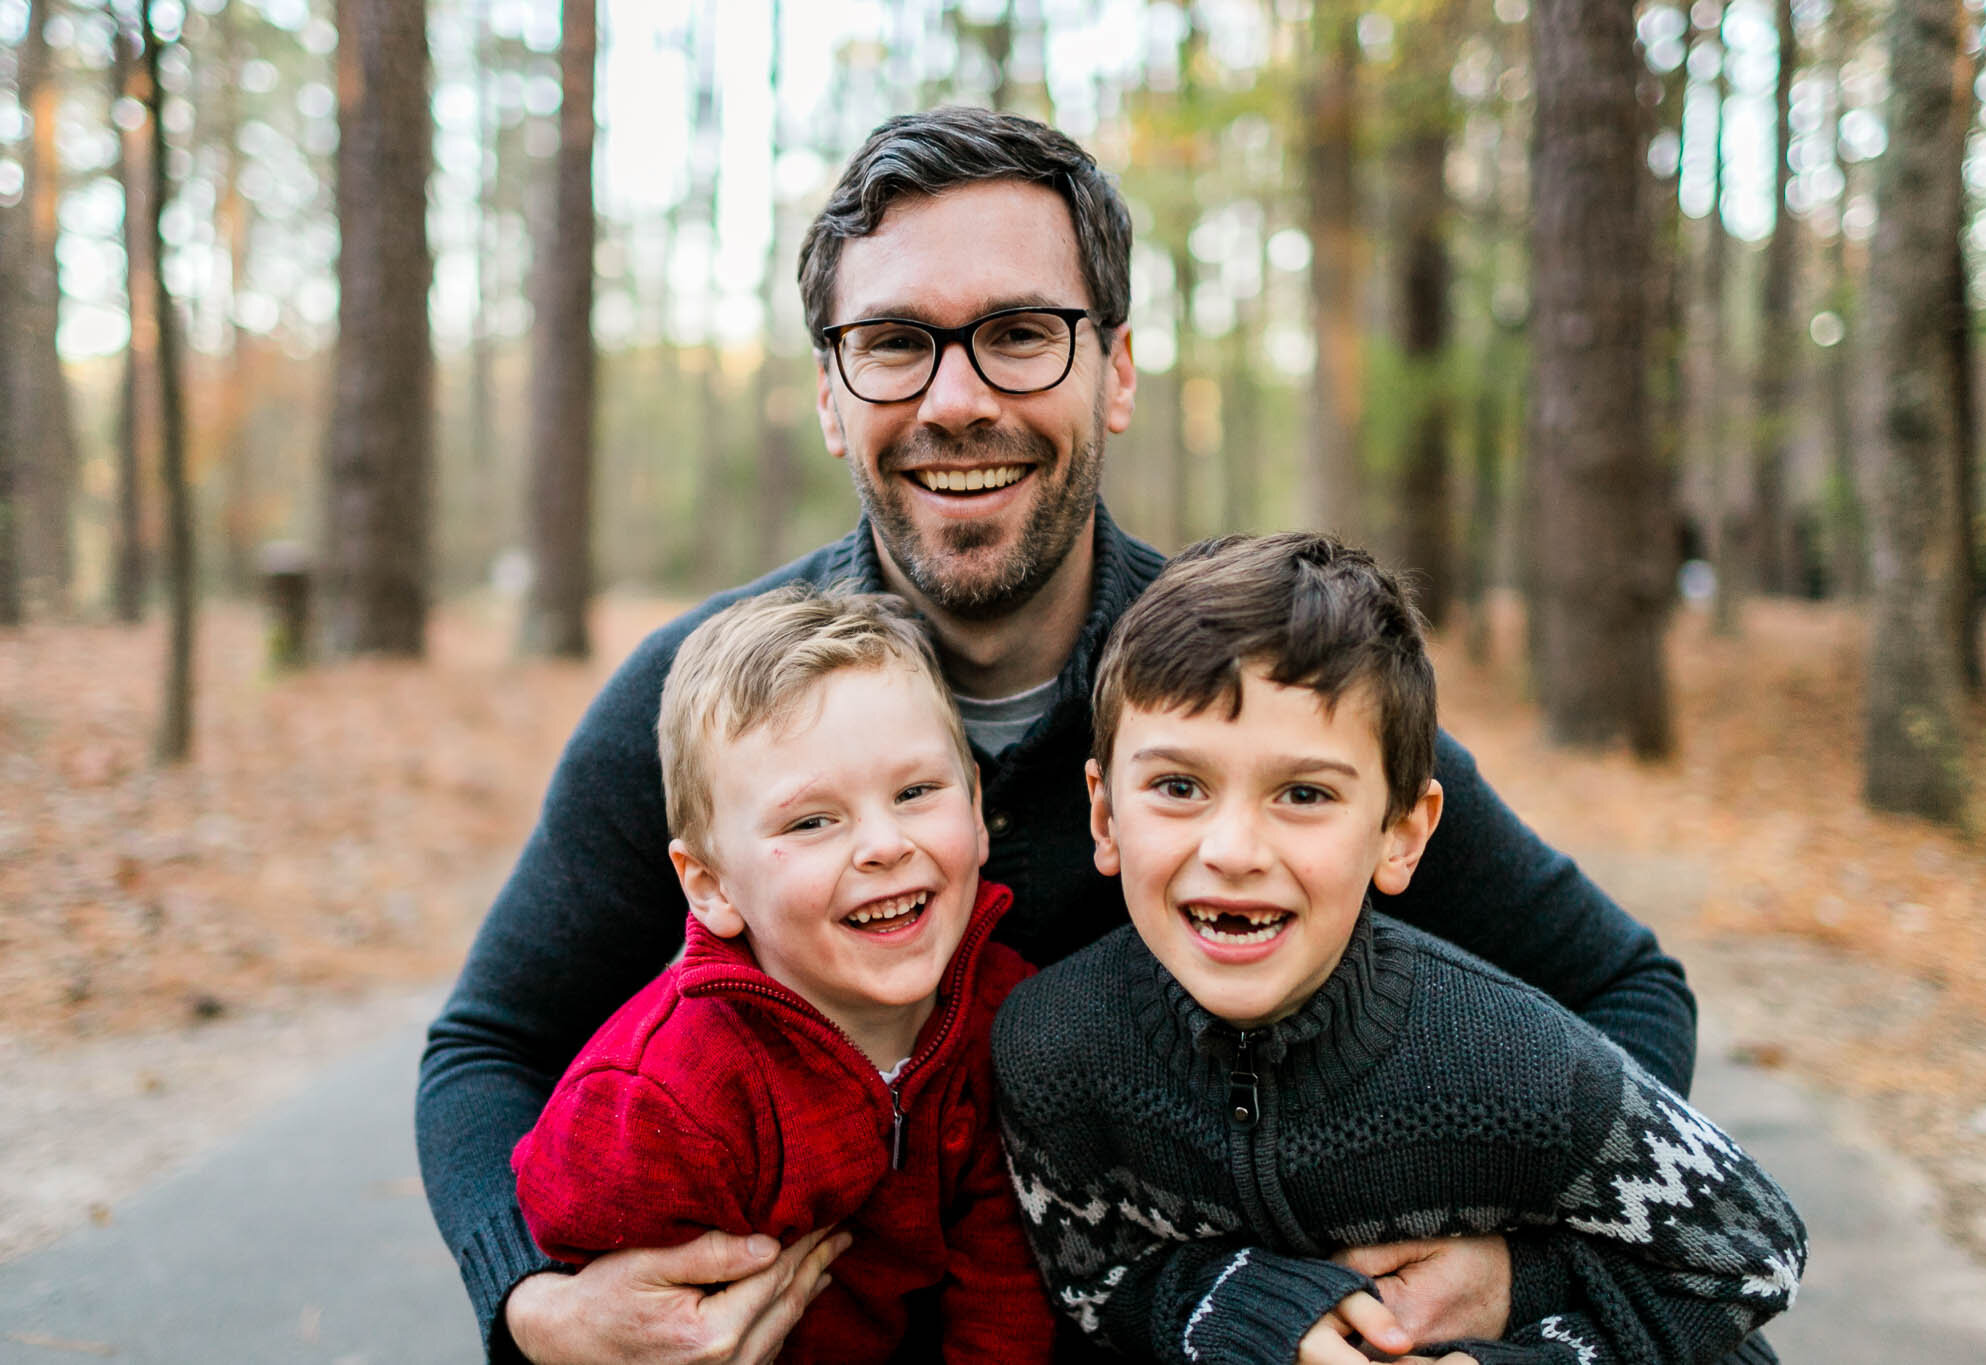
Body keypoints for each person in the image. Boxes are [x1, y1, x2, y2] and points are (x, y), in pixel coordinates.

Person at [415, 107, 1710, 1365]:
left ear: (1119, 370)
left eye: (1021, 335)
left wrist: (1515, 1262)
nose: (957, 398)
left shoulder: (1263, 694)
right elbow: (489, 1047)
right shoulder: (701, 706)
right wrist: (531, 1305)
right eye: (894, 342)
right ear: (830, 392)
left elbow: (1624, 992)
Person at [993, 532, 1806, 1365]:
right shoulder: (1053, 1048)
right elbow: (1091, 1273)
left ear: (1402, 834)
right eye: (1178, 786)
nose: (1233, 849)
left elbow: (1751, 1250)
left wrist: (1518, 1325)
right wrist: (1244, 1306)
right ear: (1104, 814)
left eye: (1303, 793)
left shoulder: (1520, 1064)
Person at [508, 586, 1054, 1364]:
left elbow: (1004, 1280)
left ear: (974, 803)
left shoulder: (1004, 1015)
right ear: (711, 885)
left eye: (915, 792)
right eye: (811, 820)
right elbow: (599, 1298)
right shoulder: (664, 1099)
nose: (883, 843)